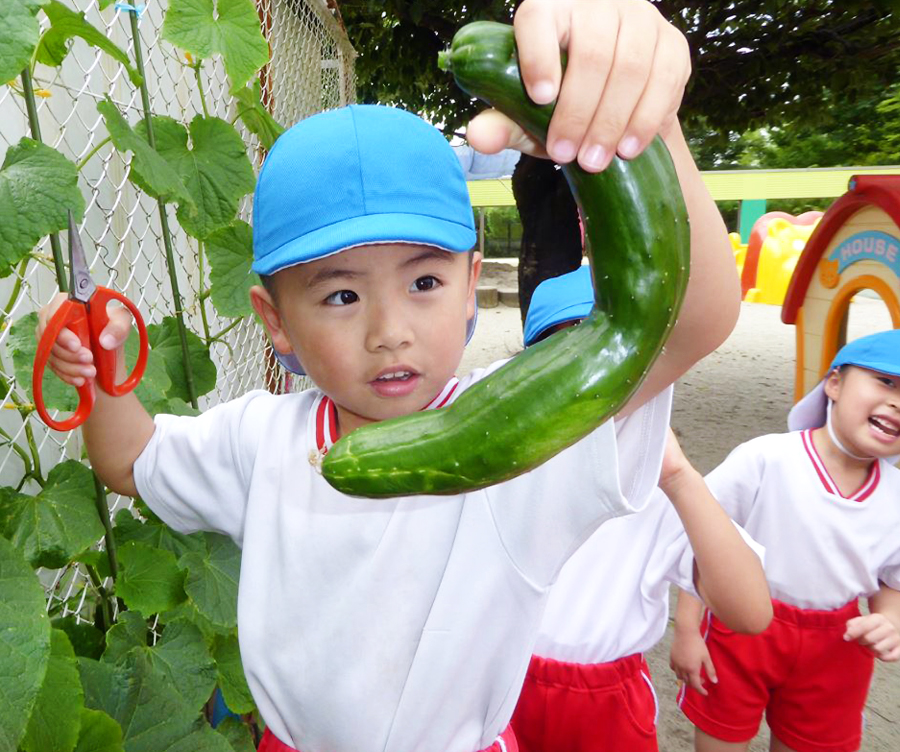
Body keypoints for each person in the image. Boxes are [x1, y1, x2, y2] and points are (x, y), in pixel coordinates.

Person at [37, 2, 740, 750]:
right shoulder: (258, 440)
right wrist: (106, 379)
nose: (390, 330)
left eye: (424, 283)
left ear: (472, 284)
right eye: (341, 295)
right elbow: (129, 462)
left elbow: (677, 325)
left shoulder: (525, 434)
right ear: (276, 322)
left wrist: (641, 127)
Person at [510, 266, 772, 752]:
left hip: (607, 697)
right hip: (501, 687)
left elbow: (750, 612)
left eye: (620, 358)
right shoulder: (501, 474)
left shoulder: (653, 488)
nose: (597, 379)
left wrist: (679, 477)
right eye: (570, 353)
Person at [670, 328, 900, 752]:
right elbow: (704, 539)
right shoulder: (767, 458)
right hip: (743, 626)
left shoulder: (896, 496)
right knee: (721, 738)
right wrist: (687, 630)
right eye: (886, 381)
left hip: (839, 643)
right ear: (834, 383)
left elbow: (893, 580)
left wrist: (890, 620)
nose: (896, 401)